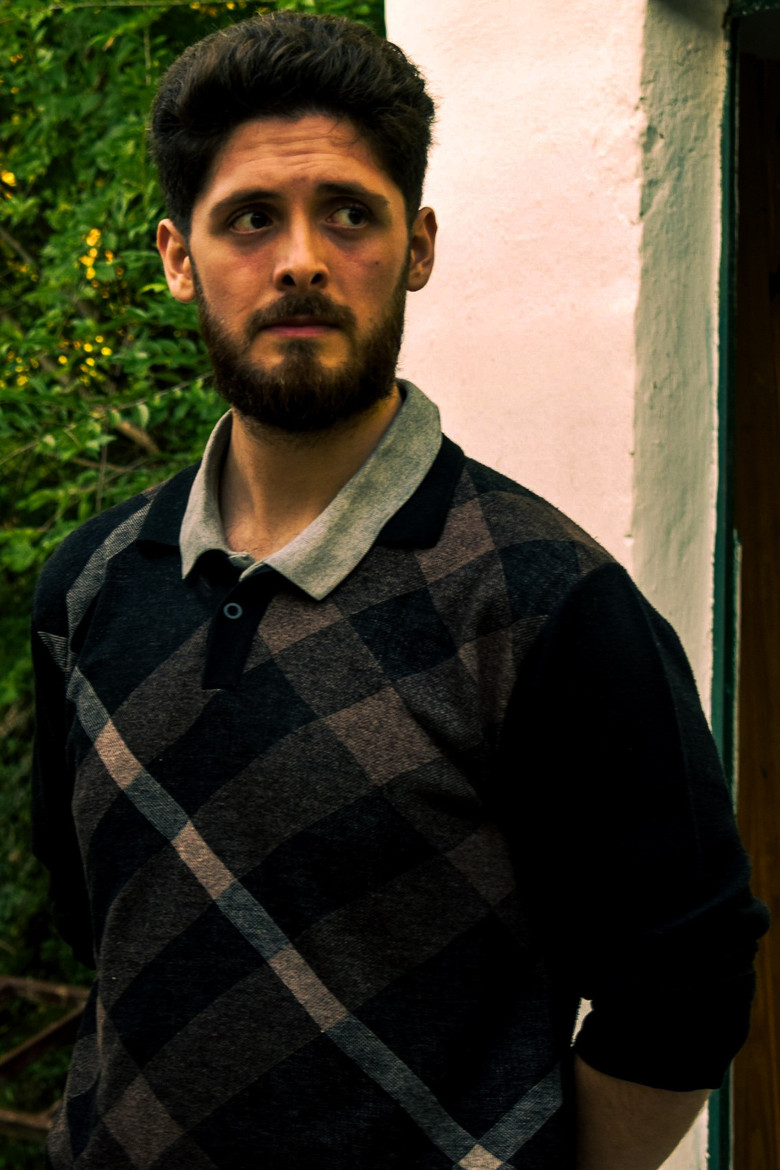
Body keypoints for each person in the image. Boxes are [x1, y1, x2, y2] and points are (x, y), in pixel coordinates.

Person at [31, 12, 768, 1170]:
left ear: (417, 246)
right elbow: (108, 926)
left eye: (349, 213)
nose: (301, 260)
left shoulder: (552, 604)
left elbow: (685, 982)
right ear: (178, 258)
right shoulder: (87, 589)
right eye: (251, 219)